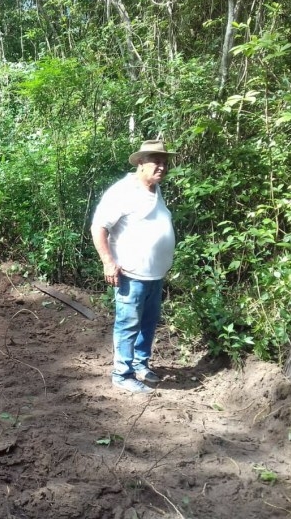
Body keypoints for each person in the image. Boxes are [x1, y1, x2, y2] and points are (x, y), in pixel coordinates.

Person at [90, 140, 176, 394]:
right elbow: (99, 227)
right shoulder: (123, 191)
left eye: (164, 163)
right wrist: (108, 261)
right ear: (140, 163)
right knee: (128, 323)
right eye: (156, 162)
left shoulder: (153, 189)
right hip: (131, 274)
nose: (161, 167)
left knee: (148, 323)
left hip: (154, 275)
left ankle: (140, 364)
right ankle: (122, 373)